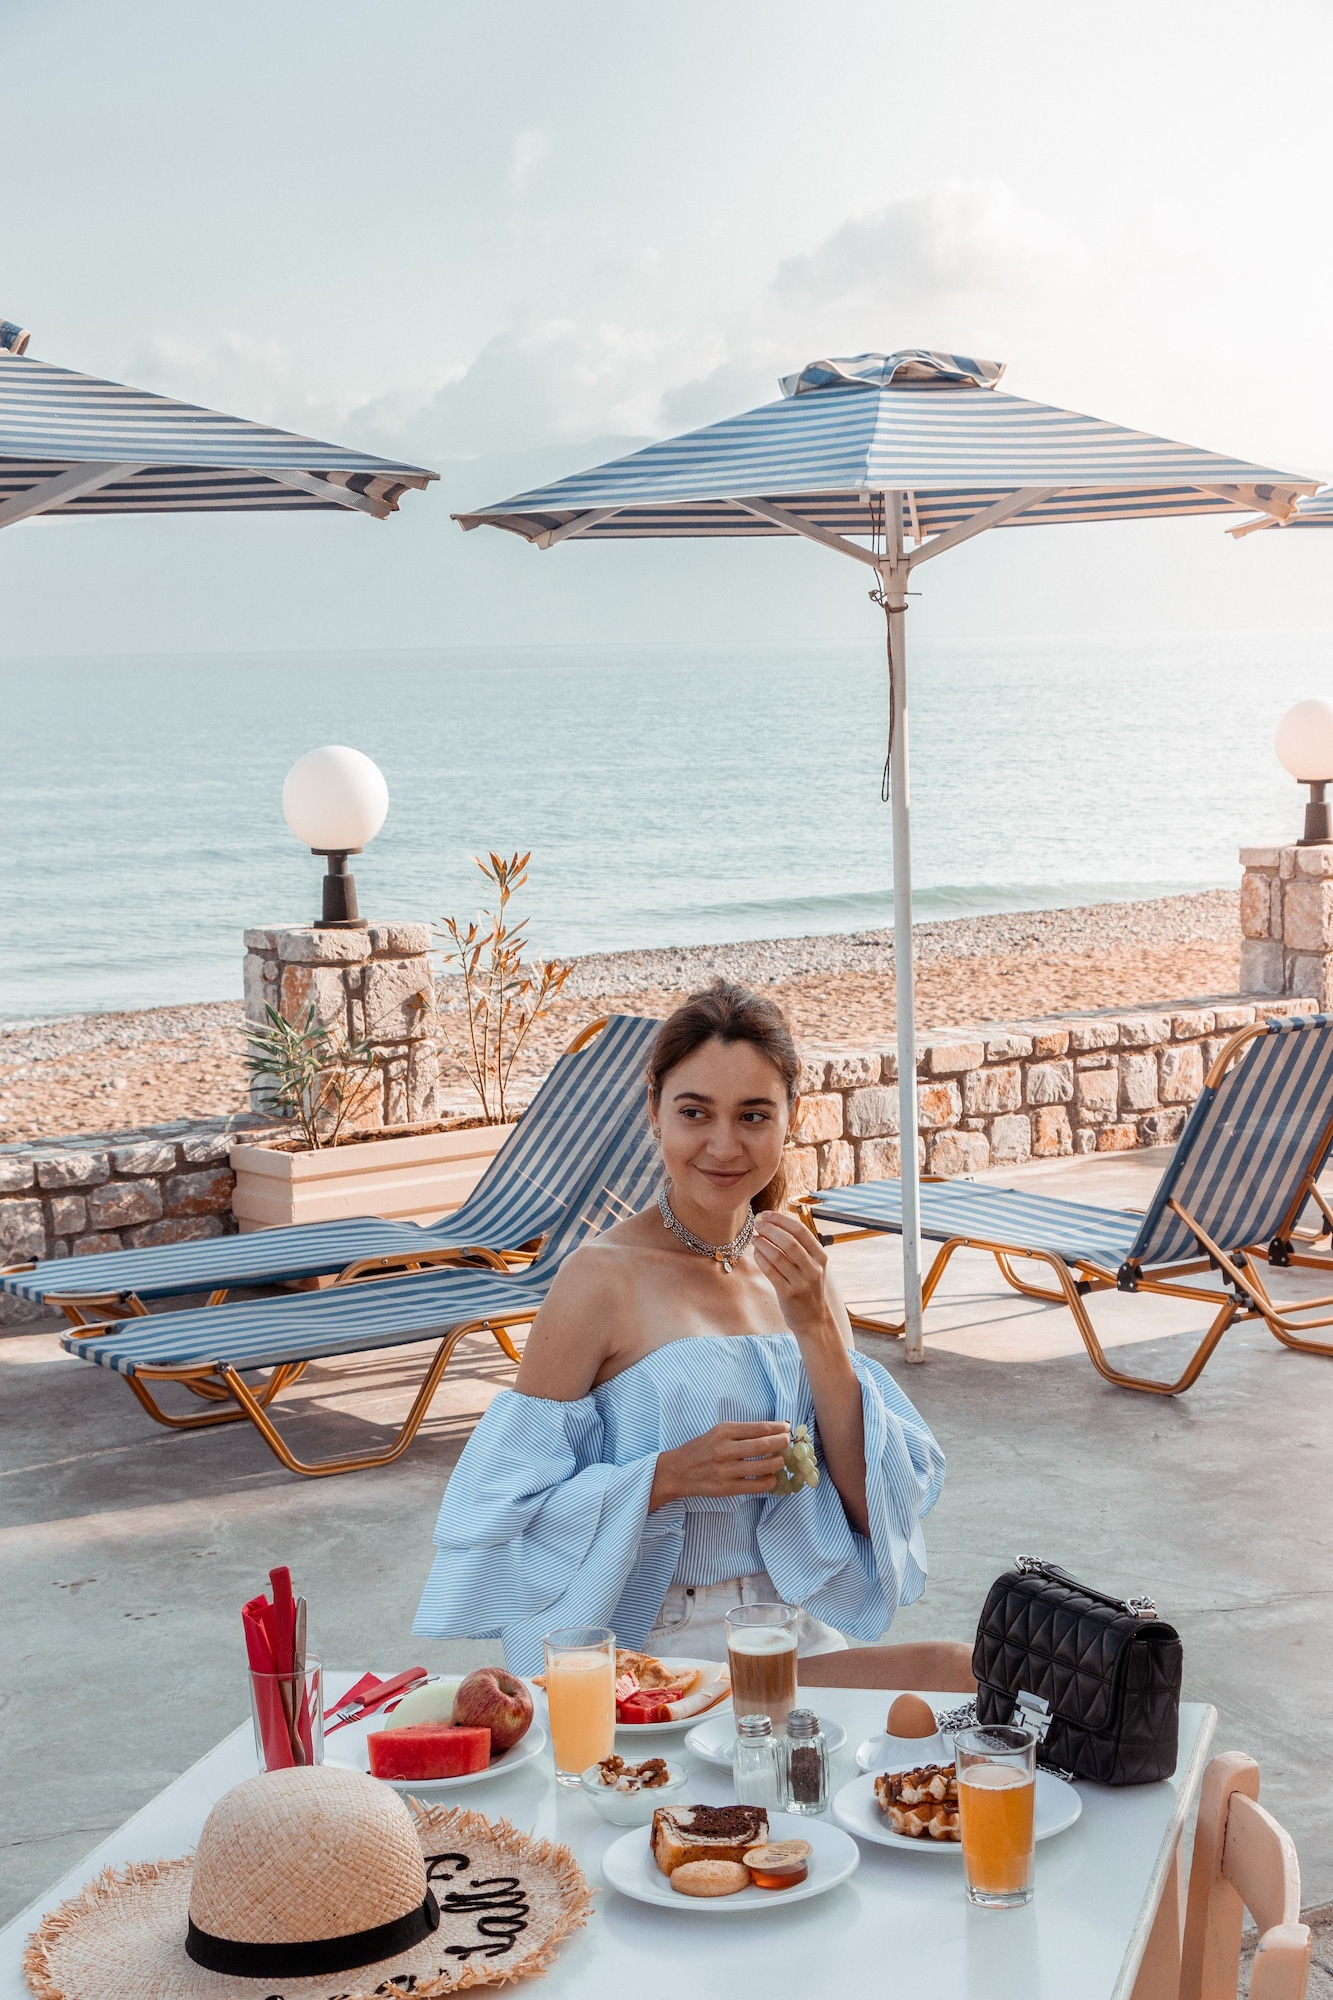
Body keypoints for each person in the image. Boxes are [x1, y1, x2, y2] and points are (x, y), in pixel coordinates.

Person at [414, 981, 944, 1674]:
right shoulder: (599, 1279)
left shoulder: (796, 1270)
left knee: (959, 1674)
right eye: (695, 1112)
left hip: (791, 1624)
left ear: (790, 1119)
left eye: (753, 1116)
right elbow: (500, 1513)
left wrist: (817, 1328)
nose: (723, 1146)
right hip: (658, 1641)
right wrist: (664, 1476)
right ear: (653, 1113)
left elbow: (874, 1513)